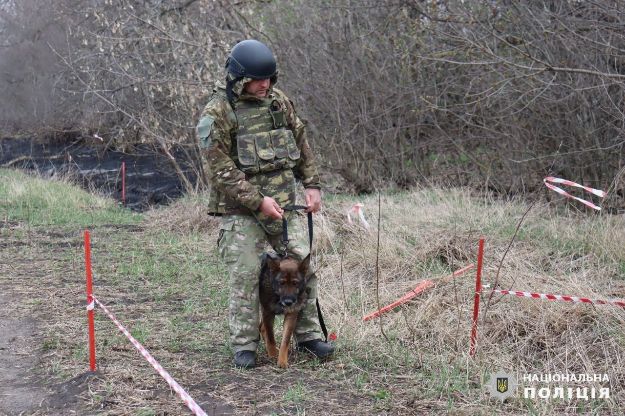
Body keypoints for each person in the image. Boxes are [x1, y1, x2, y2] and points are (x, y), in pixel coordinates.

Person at [196, 39, 334, 368]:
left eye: (270, 79)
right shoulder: (218, 112)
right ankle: (245, 345)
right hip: (242, 212)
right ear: (239, 79)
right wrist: (258, 202)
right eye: (259, 80)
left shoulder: (277, 102)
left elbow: (300, 140)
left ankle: (309, 337)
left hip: (286, 207)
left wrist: (311, 184)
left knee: (302, 268)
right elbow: (221, 171)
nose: (265, 85)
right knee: (245, 275)